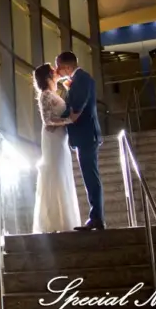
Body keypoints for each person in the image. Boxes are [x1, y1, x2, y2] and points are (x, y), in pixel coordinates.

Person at [55, 51, 104, 230]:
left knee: (90, 177)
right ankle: (96, 216)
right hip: (85, 135)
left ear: (67, 66)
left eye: (59, 68)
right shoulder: (79, 80)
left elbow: (76, 111)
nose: (58, 72)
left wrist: (57, 116)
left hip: (86, 135)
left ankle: (96, 217)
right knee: (89, 176)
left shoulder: (82, 80)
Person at [32, 63, 82, 233]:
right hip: (53, 138)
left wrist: (68, 84)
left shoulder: (53, 93)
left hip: (61, 138)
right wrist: (70, 120)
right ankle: (53, 221)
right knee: (55, 173)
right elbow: (47, 121)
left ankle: (64, 219)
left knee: (62, 173)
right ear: (47, 77)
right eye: (53, 72)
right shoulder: (45, 95)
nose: (56, 72)